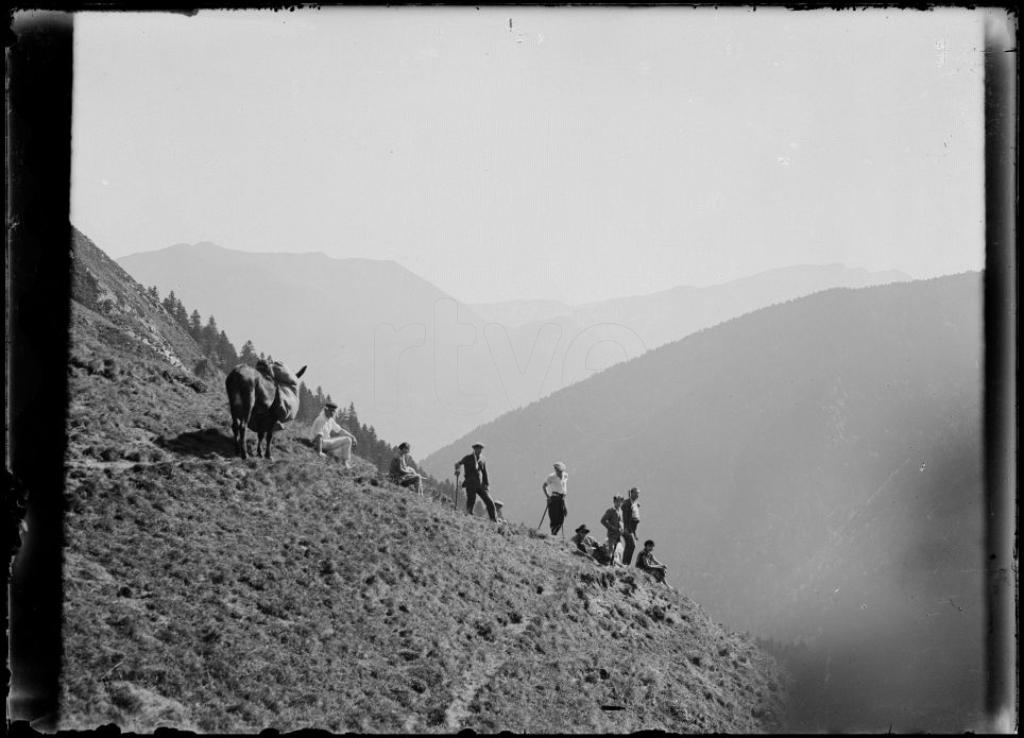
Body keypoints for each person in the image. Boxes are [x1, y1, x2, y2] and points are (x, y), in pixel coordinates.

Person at [453, 442, 497, 522]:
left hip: (480, 484)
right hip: (470, 483)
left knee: (490, 502)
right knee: (471, 500)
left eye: (480, 449)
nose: (479, 450)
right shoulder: (468, 458)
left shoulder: (482, 460)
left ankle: (494, 520)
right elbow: (458, 464)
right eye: (477, 448)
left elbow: (484, 472)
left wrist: (486, 483)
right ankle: (469, 517)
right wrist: (457, 470)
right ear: (474, 449)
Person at [311, 402, 357, 468]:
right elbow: (319, 436)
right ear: (325, 410)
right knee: (347, 440)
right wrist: (319, 452)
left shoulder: (330, 420)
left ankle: (337, 460)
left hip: (325, 442)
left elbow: (340, 430)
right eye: (331, 411)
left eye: (334, 411)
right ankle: (345, 463)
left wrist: (352, 436)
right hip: (318, 442)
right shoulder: (321, 420)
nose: (332, 413)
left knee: (344, 444)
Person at [542, 462, 568, 536]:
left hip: (562, 498)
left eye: (560, 470)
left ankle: (554, 533)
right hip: (554, 498)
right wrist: (548, 496)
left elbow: (564, 489)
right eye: (557, 470)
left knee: (561, 518)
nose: (559, 472)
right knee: (554, 517)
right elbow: (544, 486)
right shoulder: (551, 477)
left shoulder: (565, 475)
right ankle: (553, 534)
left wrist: (565, 504)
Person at [600, 495, 625, 566]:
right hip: (612, 536)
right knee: (610, 552)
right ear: (614, 502)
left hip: (619, 536)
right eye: (617, 501)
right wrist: (611, 528)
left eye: (620, 501)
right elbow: (603, 520)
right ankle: (607, 566)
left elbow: (621, 523)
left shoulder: (621, 512)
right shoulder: (611, 511)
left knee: (618, 552)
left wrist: (622, 530)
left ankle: (615, 566)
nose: (619, 503)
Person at [620, 487, 640, 565]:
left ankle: (626, 563)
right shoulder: (627, 503)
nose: (637, 495)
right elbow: (625, 517)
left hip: (632, 529)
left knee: (631, 545)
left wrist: (635, 533)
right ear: (631, 493)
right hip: (626, 528)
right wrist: (626, 528)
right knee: (631, 544)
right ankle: (625, 563)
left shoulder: (634, 503)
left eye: (638, 494)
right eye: (636, 493)